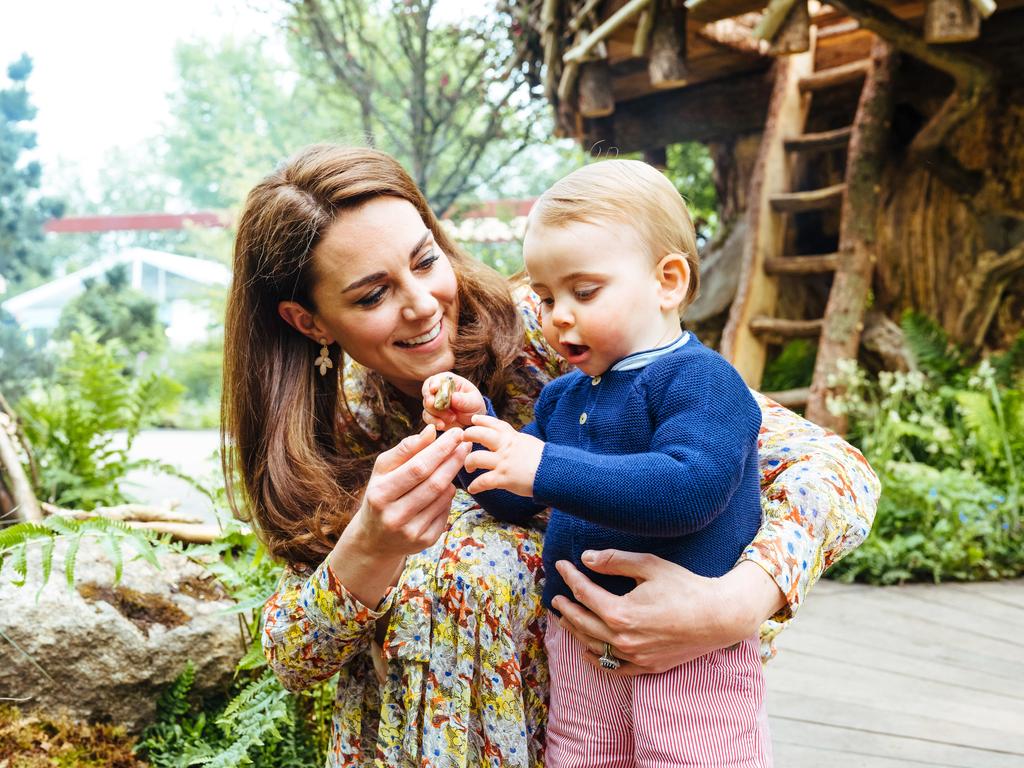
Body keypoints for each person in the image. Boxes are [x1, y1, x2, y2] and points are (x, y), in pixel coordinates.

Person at [222, 144, 880, 768]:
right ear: (309, 322)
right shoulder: (334, 436)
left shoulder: (563, 331)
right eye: (372, 295)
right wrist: (370, 547)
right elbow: (293, 658)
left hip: (642, 692)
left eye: (425, 262)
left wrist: (736, 604)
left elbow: (833, 470)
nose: (422, 305)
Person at [422, 159, 770, 766]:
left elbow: (691, 488)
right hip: (578, 642)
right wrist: (472, 437)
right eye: (547, 296)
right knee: (579, 753)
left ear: (668, 282)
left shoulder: (702, 381)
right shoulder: (563, 397)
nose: (559, 316)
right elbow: (512, 494)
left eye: (584, 292)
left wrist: (545, 467)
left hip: (686, 652)